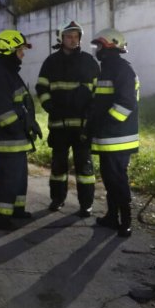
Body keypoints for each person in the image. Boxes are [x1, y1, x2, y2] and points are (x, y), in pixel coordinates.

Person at [36, 20, 100, 217]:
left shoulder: (89, 62)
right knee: (58, 166)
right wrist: (50, 107)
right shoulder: (51, 62)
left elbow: (98, 92)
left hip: (82, 125)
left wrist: (91, 113)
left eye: (76, 37)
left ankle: (86, 204)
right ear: (61, 38)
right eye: (69, 37)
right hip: (59, 124)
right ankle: (57, 199)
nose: (73, 40)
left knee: (84, 167)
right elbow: (41, 87)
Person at [0, 30, 42, 230]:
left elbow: (20, 105)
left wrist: (30, 123)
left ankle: (16, 210)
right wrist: (22, 128)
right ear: (10, 51)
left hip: (16, 140)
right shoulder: (0, 75)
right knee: (7, 181)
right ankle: (0, 217)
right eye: (20, 50)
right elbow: (3, 114)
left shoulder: (8, 73)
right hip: (7, 141)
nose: (23, 55)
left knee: (18, 179)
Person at [88, 28, 139, 238]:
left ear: (110, 45)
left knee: (118, 179)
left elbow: (125, 104)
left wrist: (104, 123)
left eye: (99, 46)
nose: (97, 50)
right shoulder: (107, 69)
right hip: (108, 138)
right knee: (109, 178)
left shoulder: (122, 70)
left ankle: (126, 221)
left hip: (118, 138)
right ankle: (112, 216)